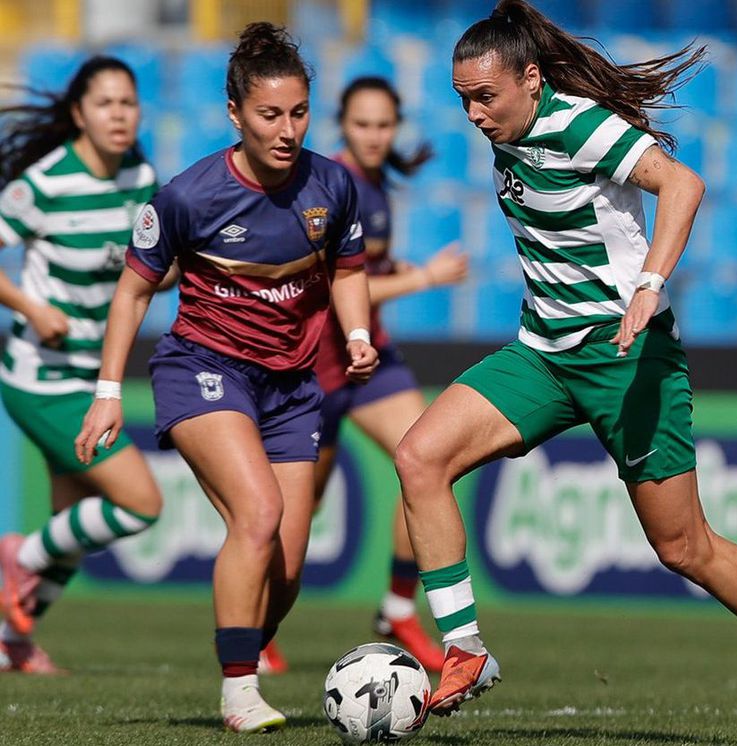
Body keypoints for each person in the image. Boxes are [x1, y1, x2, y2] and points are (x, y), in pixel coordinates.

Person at [392, 2, 737, 743]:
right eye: (463, 99)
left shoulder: (578, 125)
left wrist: (649, 284)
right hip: (544, 354)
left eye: (485, 97)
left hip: (628, 356)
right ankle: (465, 648)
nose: (473, 114)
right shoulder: (511, 131)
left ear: (530, 80)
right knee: (419, 457)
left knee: (684, 547)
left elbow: (683, 185)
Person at [75, 23, 376, 733]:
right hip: (203, 370)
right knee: (258, 514)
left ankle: (241, 645)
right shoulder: (187, 196)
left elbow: (349, 271)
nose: (287, 130)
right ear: (235, 114)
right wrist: (108, 394)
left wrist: (357, 334)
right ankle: (240, 690)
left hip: (291, 388)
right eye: (270, 115)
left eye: (299, 113)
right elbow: (132, 293)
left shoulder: (333, 185)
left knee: (288, 568)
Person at [0, 56, 164, 674]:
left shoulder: (141, 178)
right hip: (41, 377)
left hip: (92, 376)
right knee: (141, 503)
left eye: (128, 103)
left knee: (70, 526)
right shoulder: (45, 183)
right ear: (79, 114)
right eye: (105, 103)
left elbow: (153, 266)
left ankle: (10, 643)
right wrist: (30, 306)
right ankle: (18, 556)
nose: (119, 115)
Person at [308, 76, 468, 673]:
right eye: (362, 124)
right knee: (296, 510)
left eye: (383, 125)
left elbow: (367, 266)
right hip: (317, 365)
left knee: (428, 459)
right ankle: (257, 631)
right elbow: (339, 285)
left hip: (371, 359)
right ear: (343, 125)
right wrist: (423, 278)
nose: (374, 135)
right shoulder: (335, 184)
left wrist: (397, 266)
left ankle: (399, 608)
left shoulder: (375, 184)